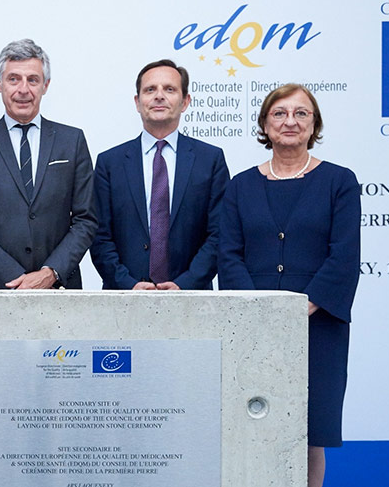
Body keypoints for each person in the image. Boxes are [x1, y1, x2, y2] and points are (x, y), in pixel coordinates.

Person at [218, 84, 360, 487]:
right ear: (265, 123)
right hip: (248, 326)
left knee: (309, 435)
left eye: (301, 113)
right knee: (248, 425)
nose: (290, 122)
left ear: (314, 124)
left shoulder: (340, 182)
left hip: (318, 327)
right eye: (279, 113)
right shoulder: (240, 186)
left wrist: (302, 308)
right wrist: (260, 308)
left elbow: (345, 256)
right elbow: (228, 255)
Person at [0, 39, 97, 289]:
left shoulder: (72, 140)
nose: (23, 89)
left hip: (59, 289)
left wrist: (51, 273)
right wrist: (13, 276)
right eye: (13, 79)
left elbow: (86, 219)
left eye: (32, 80)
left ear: (46, 85)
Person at [91, 59, 229, 290]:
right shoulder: (110, 163)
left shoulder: (210, 160)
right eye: (150, 90)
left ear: (185, 102)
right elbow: (99, 236)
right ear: (137, 102)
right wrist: (128, 284)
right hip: (123, 301)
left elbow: (219, 233)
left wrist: (184, 284)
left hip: (191, 300)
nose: (159, 96)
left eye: (170, 89)